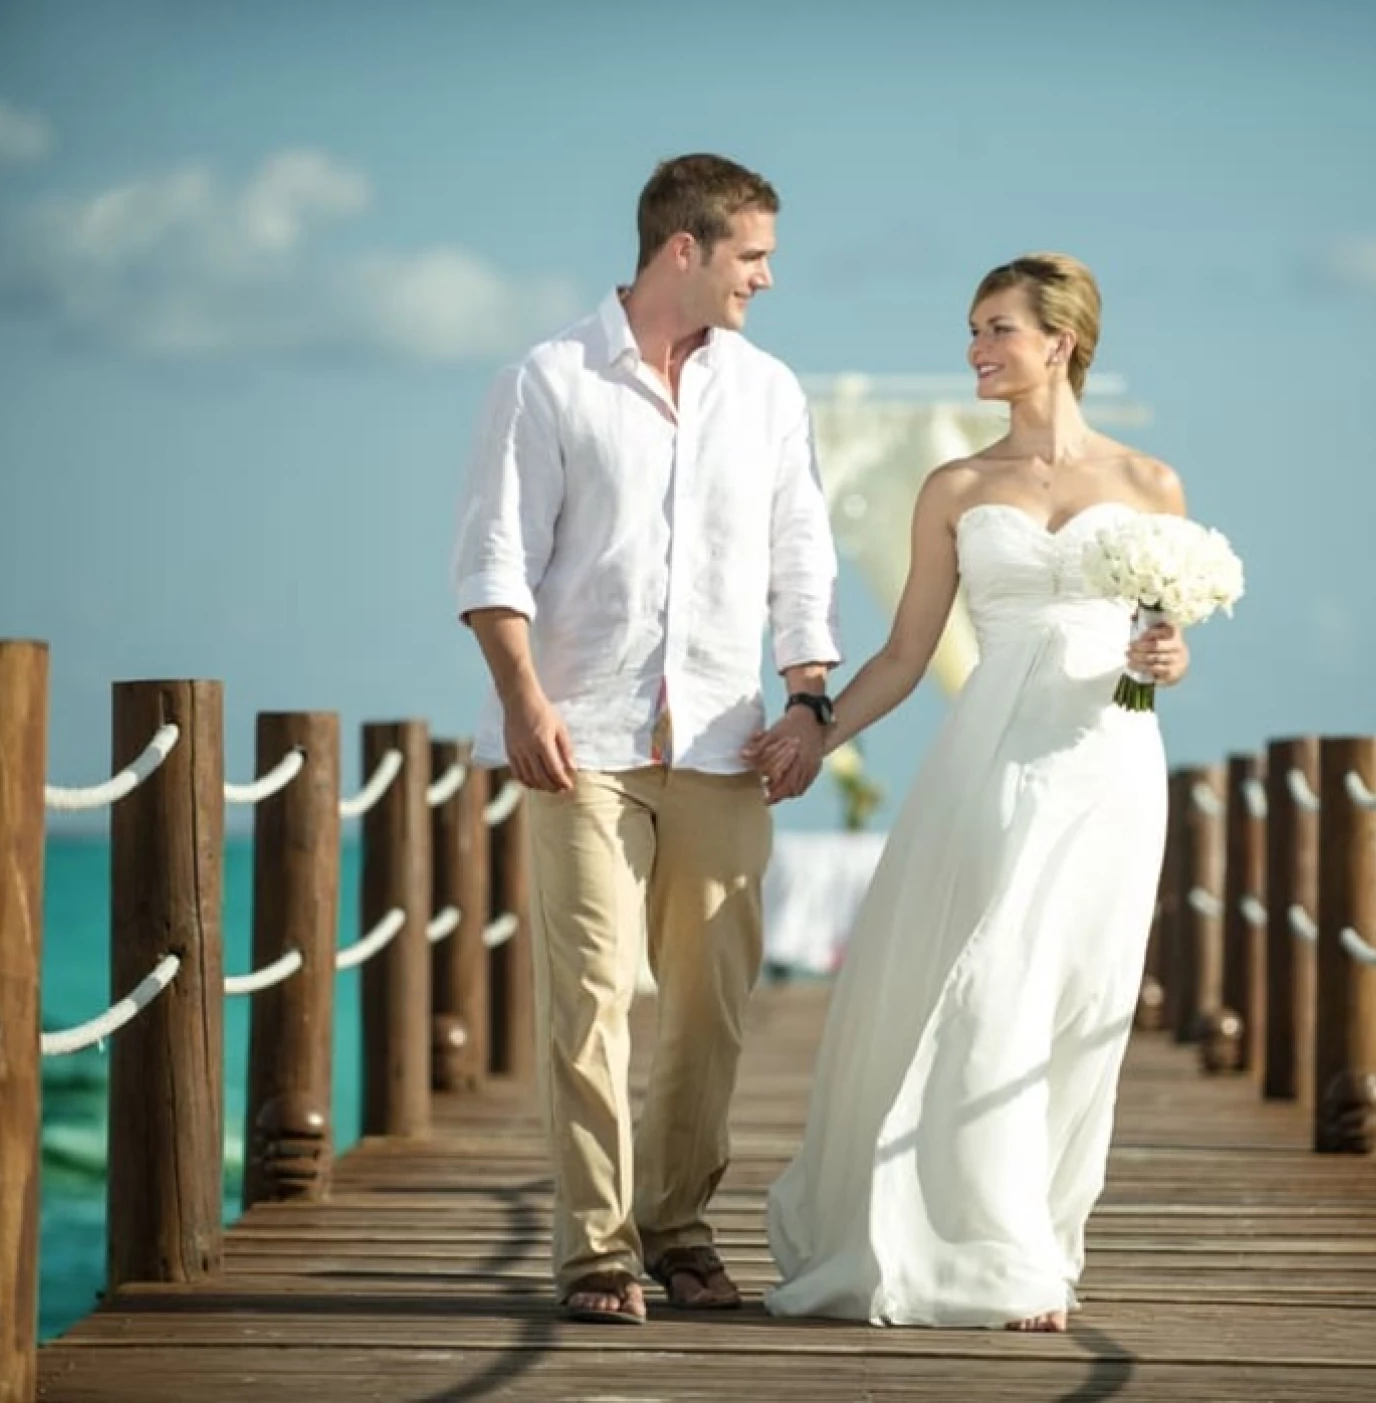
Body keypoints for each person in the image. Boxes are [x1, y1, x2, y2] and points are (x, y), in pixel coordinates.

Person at [751, 251, 1192, 1332]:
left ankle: (1034, 1233)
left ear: (1060, 341)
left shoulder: (1150, 484)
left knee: (1076, 1001)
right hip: (990, 757)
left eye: (997, 329)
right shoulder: (954, 486)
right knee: (990, 980)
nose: (975, 350)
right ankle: (981, 1247)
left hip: (1109, 762)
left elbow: (1155, 643)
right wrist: (814, 731)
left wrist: (1167, 656)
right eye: (973, 329)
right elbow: (906, 654)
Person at [448, 153, 841, 1326]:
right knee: (593, 996)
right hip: (582, 739)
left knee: (712, 1005)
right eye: (753, 255)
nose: (767, 278)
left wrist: (810, 699)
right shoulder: (546, 379)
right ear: (686, 248)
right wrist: (522, 697)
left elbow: (800, 554)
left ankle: (679, 1228)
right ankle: (595, 1251)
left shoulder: (770, 391)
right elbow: (494, 557)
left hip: (725, 738)